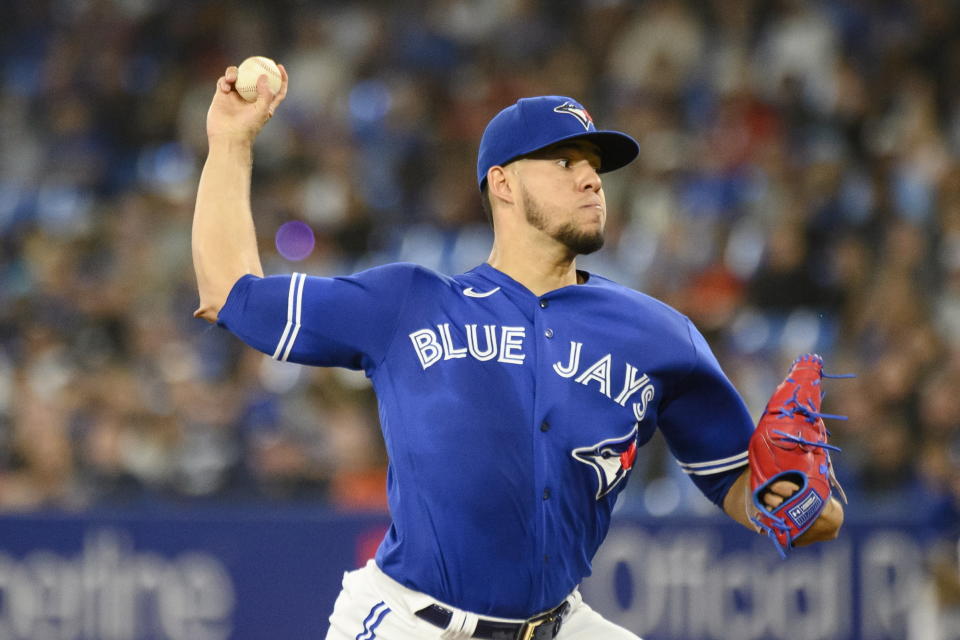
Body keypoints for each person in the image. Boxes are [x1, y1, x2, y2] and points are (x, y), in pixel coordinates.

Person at [192, 65, 844, 640]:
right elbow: (230, 293)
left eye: (596, 167)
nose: (591, 180)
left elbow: (754, 490)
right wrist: (231, 140)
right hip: (409, 624)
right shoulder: (408, 303)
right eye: (565, 162)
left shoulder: (660, 337)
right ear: (502, 184)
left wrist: (803, 504)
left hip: (561, 624)